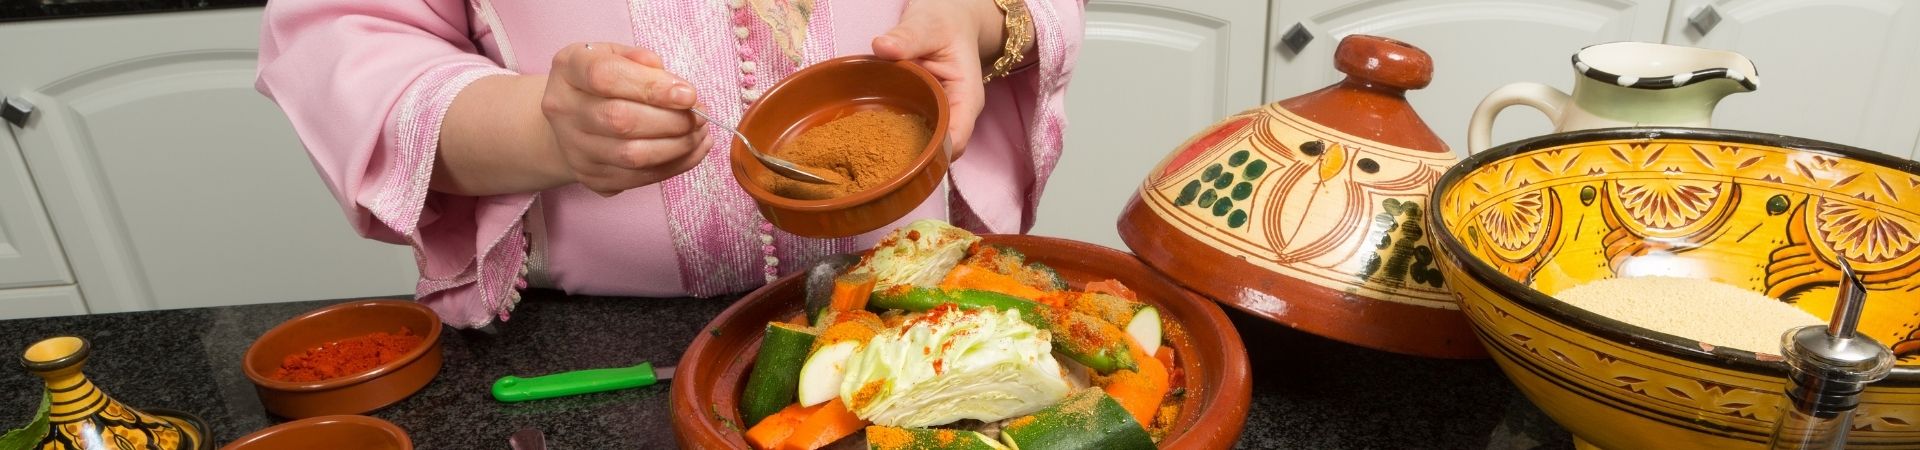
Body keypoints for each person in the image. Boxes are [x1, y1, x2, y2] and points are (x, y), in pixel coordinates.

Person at [255, 0, 1085, 328]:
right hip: (594, 342)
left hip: (916, 310)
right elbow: (343, 40)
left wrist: (981, 20)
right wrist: (545, 132)